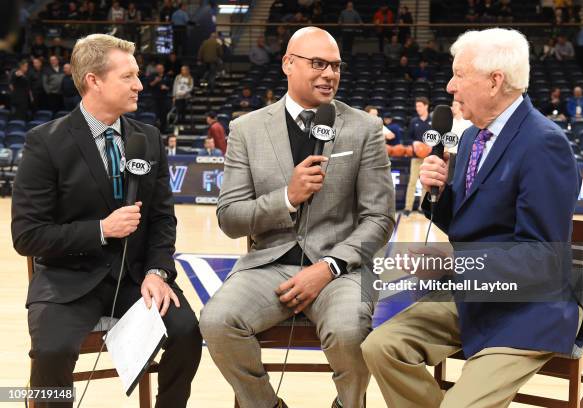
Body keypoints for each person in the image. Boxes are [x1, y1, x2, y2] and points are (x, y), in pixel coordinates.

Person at [361, 28, 583, 408]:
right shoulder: (469, 139)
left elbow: (542, 259)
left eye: (459, 75)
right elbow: (468, 224)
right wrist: (439, 196)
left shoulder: (544, 142)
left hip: (528, 308)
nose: (450, 86)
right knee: (380, 347)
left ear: (495, 81)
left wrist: (452, 262)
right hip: (474, 295)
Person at [200, 26, 395, 408]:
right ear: (288, 64)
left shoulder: (364, 128)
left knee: (349, 332)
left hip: (341, 269)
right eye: (318, 64)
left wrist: (330, 266)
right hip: (268, 265)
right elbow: (230, 218)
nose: (329, 74)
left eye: (336, 66)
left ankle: (347, 405)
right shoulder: (246, 129)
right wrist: (286, 198)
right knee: (216, 321)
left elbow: (380, 218)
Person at [11, 33, 202, 408]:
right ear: (93, 81)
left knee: (188, 332)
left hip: (136, 280)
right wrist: (101, 230)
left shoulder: (148, 138)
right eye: (128, 76)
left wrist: (157, 272)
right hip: (68, 282)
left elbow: (163, 219)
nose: (140, 84)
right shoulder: (45, 143)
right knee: (51, 353)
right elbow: (28, 236)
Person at [404, 96, 432, 214]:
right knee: (412, 182)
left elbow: (437, 138)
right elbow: (407, 138)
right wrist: (413, 142)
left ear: (426, 106)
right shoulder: (414, 121)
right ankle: (407, 208)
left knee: (426, 184)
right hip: (416, 157)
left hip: (428, 157)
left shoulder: (433, 121)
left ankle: (422, 207)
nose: (417, 108)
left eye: (420, 106)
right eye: (416, 106)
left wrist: (432, 145)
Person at [148, 63, 172, 130]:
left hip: (164, 98)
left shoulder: (167, 76)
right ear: (156, 69)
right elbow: (149, 86)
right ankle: (154, 129)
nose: (159, 70)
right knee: (155, 114)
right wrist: (155, 81)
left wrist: (166, 88)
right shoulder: (153, 76)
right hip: (154, 98)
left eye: (161, 68)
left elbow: (170, 88)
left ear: (163, 69)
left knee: (163, 114)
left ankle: (163, 129)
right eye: (158, 68)